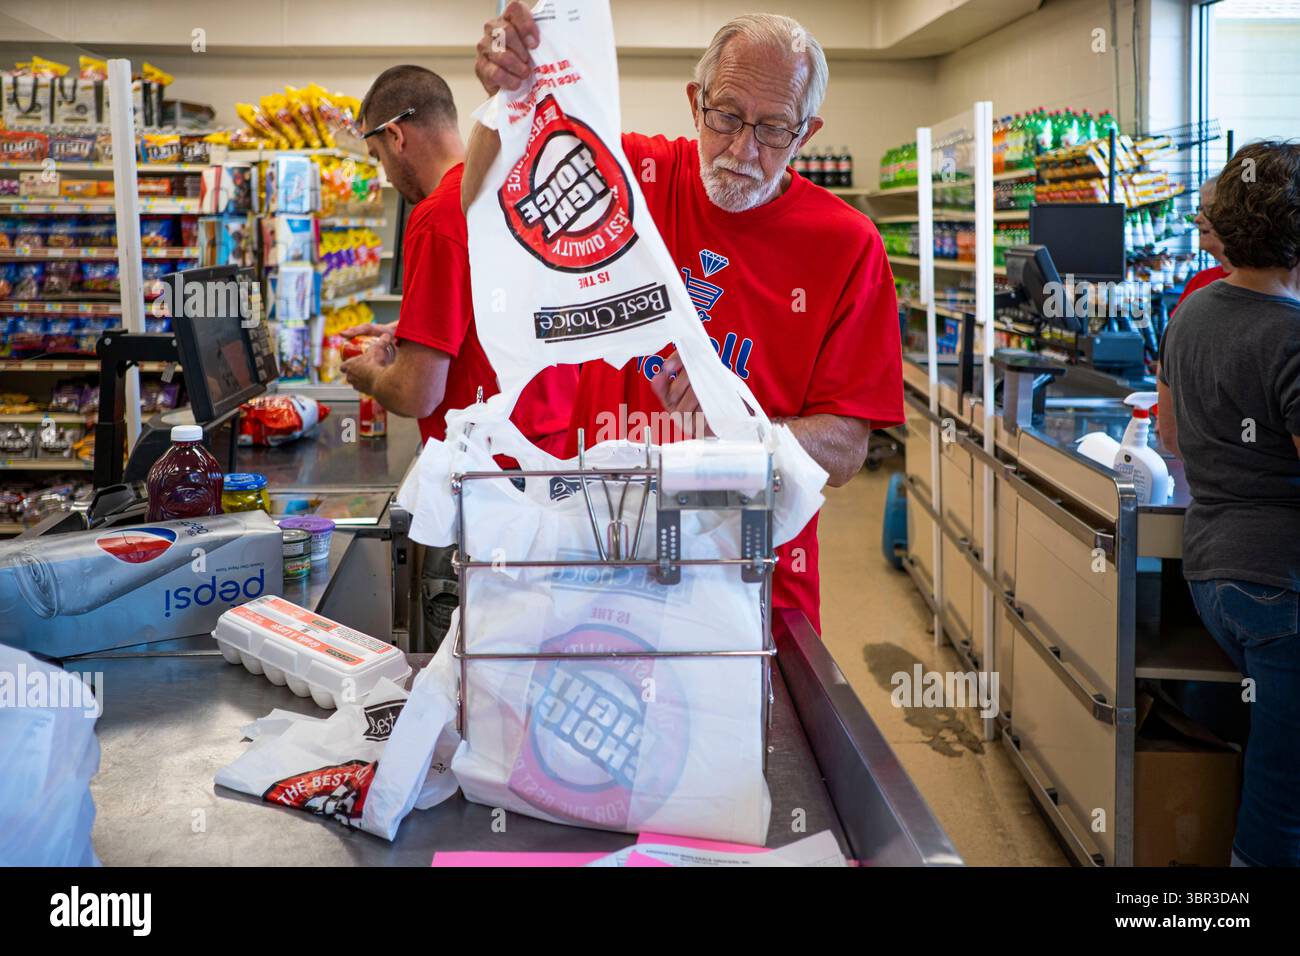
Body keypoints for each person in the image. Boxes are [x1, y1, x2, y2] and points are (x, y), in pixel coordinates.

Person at [464, 6, 904, 634]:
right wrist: (504, 103)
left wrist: (737, 426)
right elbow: (480, 195)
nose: (742, 149)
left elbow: (845, 450)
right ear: (696, 103)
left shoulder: (847, 245)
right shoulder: (635, 178)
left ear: (807, 134)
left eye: (775, 129)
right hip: (604, 559)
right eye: (726, 116)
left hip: (751, 589)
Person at [342, 65, 577, 648]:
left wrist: (370, 374)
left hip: (483, 491)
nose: (385, 173)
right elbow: (503, 316)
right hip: (547, 468)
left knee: (468, 671)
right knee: (524, 654)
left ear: (396, 137)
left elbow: (416, 393)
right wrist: (416, 328)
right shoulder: (513, 192)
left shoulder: (437, 213)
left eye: (376, 155)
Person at [1157, 140, 1300, 867]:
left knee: (1253, 748)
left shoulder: (1195, 310)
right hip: (1281, 587)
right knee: (1285, 796)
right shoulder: (1292, 334)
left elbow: (1172, 435)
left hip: (1212, 573)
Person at [1173, 175, 1233, 312]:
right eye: (1200, 210)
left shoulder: (1260, 286)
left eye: (1209, 210)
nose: (1197, 219)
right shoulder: (1199, 281)